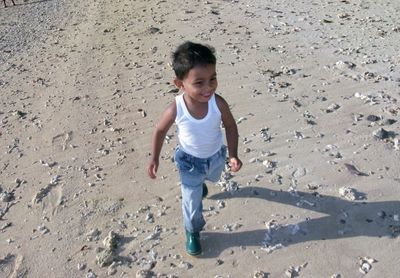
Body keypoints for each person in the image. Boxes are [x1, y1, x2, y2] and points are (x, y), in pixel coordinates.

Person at [147, 41, 242, 256]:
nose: (208, 87)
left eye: (213, 79)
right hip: (189, 162)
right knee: (191, 202)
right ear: (180, 84)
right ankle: (192, 231)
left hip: (216, 157)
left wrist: (233, 154)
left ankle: (202, 185)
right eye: (199, 82)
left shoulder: (218, 103)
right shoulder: (176, 108)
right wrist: (155, 158)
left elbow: (230, 126)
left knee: (212, 177)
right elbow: (160, 131)